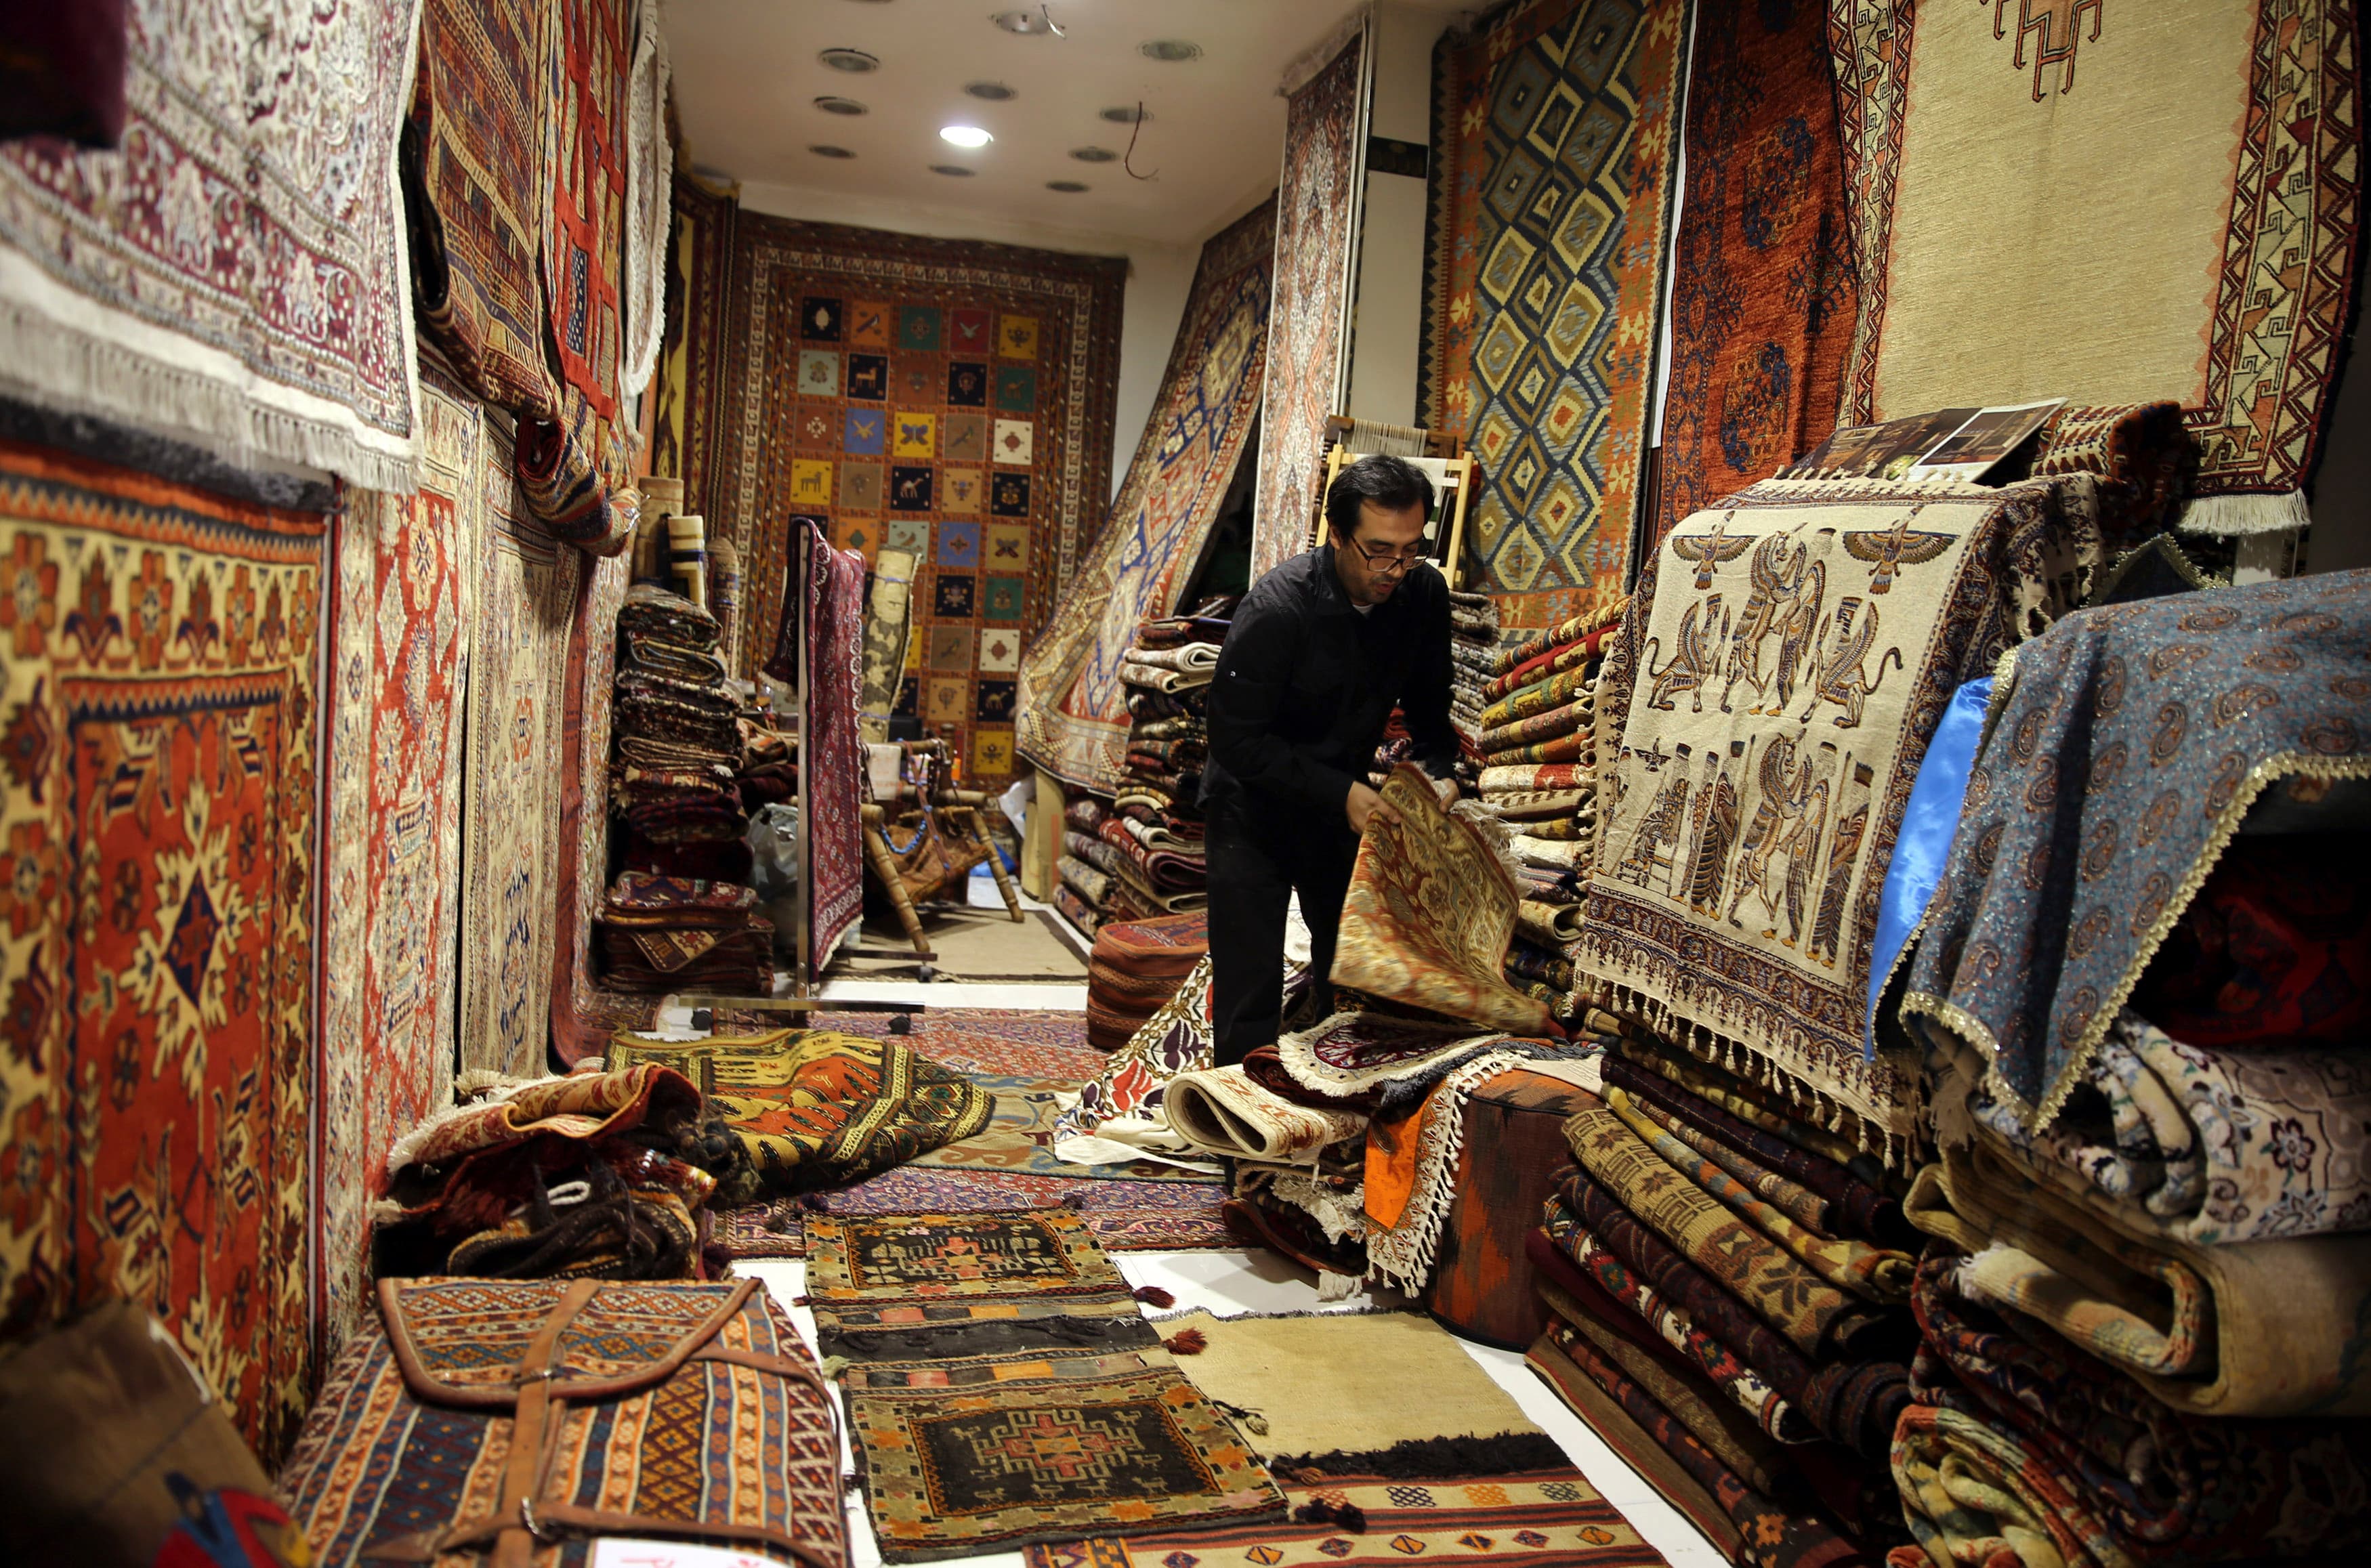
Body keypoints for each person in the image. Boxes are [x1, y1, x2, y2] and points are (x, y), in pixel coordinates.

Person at [1198, 454, 1456, 1065]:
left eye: (1411, 548)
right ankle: (1248, 1136)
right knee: (1249, 986)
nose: (1395, 568)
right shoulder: (1279, 608)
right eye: (1378, 551)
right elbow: (1235, 740)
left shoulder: (1422, 595)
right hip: (1250, 807)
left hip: (1333, 805)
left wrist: (1438, 770)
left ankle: (1340, 1104)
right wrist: (1342, 794)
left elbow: (1429, 702)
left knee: (1355, 964)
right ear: (1336, 534)